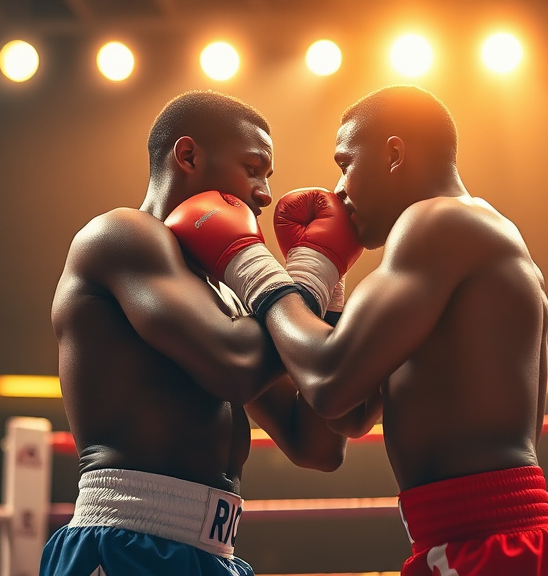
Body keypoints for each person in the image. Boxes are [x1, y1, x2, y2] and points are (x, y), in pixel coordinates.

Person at [175, 85, 548, 575]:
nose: (340, 188)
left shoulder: (437, 222)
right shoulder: (465, 237)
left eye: (346, 163)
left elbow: (327, 382)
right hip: (467, 538)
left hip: (487, 542)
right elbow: (350, 413)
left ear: (393, 153)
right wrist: (329, 280)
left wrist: (252, 266)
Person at [42, 90, 352, 576]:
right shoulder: (122, 235)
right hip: (126, 541)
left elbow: (316, 445)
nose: (265, 193)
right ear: (187, 155)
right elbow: (236, 369)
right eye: (253, 168)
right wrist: (311, 272)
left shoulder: (228, 300)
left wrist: (329, 293)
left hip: (214, 555)